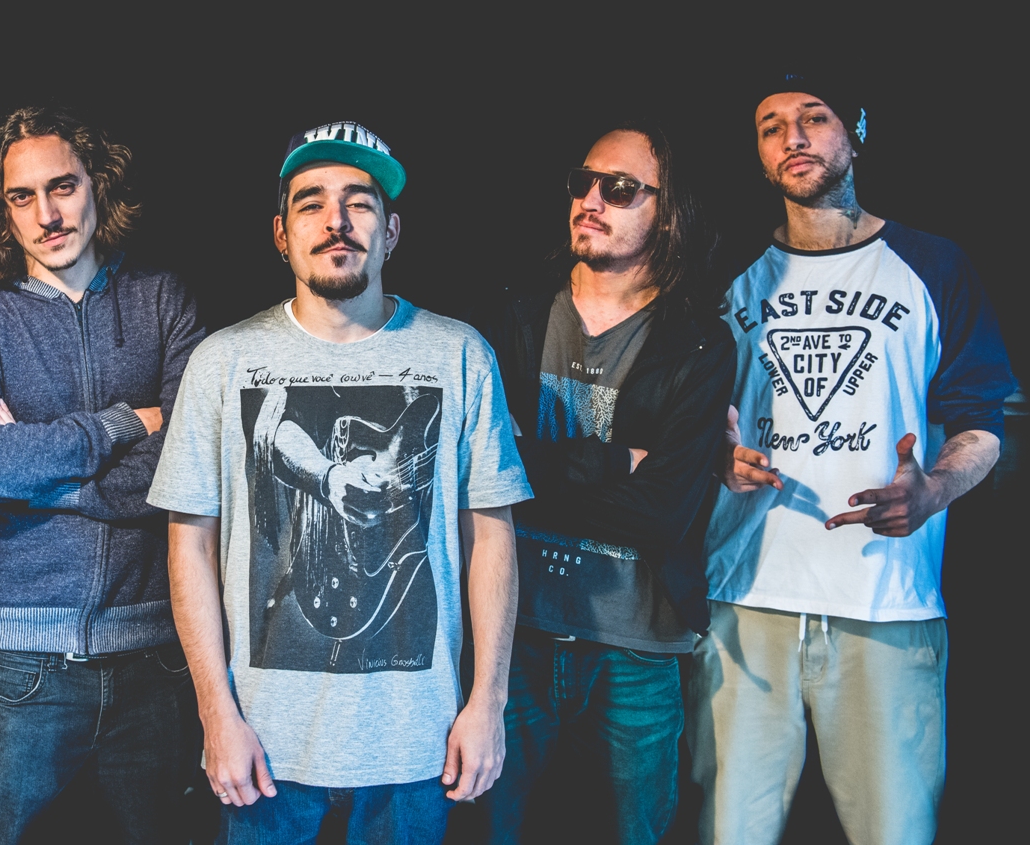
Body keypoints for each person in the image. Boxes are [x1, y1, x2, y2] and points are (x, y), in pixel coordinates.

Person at [149, 121, 533, 844]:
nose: (336, 220)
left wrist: (488, 703)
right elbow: (189, 545)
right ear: (281, 233)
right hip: (263, 744)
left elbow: (491, 537)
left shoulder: (459, 355)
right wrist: (216, 714)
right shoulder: (223, 361)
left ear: (391, 232)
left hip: (417, 744)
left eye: (359, 203)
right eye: (311, 203)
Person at [691, 71, 1017, 845]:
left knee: (895, 832)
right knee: (729, 832)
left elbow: (982, 422)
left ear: (856, 132)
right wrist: (716, 456)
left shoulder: (933, 264)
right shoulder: (727, 278)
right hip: (745, 599)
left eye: (815, 117)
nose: (793, 138)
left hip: (888, 605)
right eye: (772, 126)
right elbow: (694, 419)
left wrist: (934, 489)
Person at [0, 106, 205, 844]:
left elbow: (192, 460)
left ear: (97, 186)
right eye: (22, 197)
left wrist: (42, 473)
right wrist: (123, 424)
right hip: (17, 662)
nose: (48, 215)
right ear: (2, 211)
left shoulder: (162, 299)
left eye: (63, 187)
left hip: (152, 655)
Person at [469, 120, 736, 844]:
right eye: (582, 183)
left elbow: (661, 514)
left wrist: (528, 466)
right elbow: (478, 474)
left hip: (636, 650)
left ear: (668, 214)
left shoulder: (699, 342)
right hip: (510, 640)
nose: (591, 200)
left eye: (618, 189)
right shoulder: (511, 315)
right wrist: (615, 461)